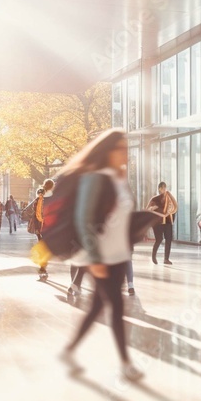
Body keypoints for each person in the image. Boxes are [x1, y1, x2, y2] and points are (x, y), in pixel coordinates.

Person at [59, 129, 144, 382]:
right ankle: (126, 364)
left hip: (119, 255)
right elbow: (84, 219)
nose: (125, 153)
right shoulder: (94, 178)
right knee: (116, 307)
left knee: (97, 306)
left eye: (126, 148)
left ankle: (69, 350)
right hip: (102, 258)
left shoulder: (119, 178)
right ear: (108, 151)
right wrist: (94, 259)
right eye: (121, 148)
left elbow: (124, 215)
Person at [29, 180, 55, 280]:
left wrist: (37, 227)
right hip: (48, 226)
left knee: (42, 246)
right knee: (46, 247)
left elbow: (35, 213)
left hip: (39, 226)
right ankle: (43, 267)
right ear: (51, 187)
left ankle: (42, 267)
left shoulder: (39, 197)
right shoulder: (52, 198)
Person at [147, 182, 178, 265]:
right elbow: (148, 209)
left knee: (168, 239)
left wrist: (169, 213)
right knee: (159, 239)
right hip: (157, 223)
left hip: (167, 221)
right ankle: (153, 256)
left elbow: (174, 207)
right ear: (159, 188)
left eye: (165, 187)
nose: (164, 189)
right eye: (162, 188)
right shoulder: (155, 199)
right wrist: (153, 208)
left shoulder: (169, 198)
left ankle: (166, 259)